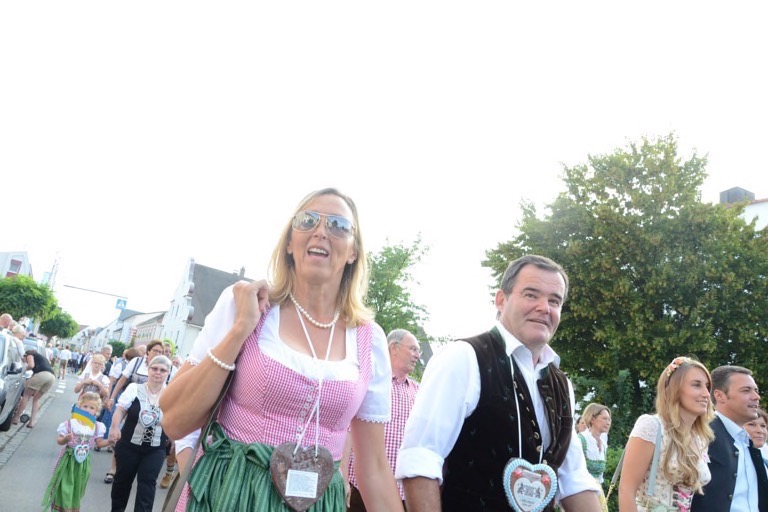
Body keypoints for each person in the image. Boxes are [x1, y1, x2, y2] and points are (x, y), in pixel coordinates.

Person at [161, 188, 403, 511]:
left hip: (317, 503)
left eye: (338, 225)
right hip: (230, 494)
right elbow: (175, 421)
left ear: (353, 251)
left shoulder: (369, 340)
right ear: (290, 242)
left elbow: (373, 467)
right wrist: (240, 329)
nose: (321, 231)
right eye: (307, 220)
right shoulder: (245, 305)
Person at [396, 255, 600, 512]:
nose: (544, 307)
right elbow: (421, 459)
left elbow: (574, 479)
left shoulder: (561, 384)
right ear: (501, 300)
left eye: (554, 301)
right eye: (531, 295)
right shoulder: (464, 358)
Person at [619, 357, 714, 512]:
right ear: (674, 389)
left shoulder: (700, 438)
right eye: (696, 385)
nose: (706, 394)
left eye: (707, 386)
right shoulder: (652, 425)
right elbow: (626, 490)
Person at [343, 328, 421, 511]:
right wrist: (343, 478)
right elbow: (347, 430)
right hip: (360, 490)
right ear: (394, 348)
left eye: (419, 351)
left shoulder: (419, 392)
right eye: (413, 349)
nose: (417, 355)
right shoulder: (370, 385)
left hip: (400, 493)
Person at [691, 365, 768, 512]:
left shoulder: (748, 442)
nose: (756, 397)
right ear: (720, 396)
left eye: (756, 390)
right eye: (746, 390)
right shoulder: (701, 433)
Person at [108, 355, 173, 512]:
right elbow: (121, 410)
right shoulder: (134, 388)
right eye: (154, 368)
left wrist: (174, 439)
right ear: (148, 370)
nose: (158, 372)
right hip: (128, 445)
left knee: (147, 485)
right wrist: (114, 427)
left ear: (168, 373)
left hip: (155, 448)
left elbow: (175, 419)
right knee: (122, 482)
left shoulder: (172, 394)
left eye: (163, 370)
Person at [42, 391, 111, 511]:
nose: (88, 410)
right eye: (85, 406)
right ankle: (61, 509)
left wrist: (110, 441)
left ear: (96, 411)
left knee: (77, 487)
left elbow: (99, 443)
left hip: (83, 463)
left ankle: (72, 508)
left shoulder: (97, 426)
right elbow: (59, 440)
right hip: (68, 461)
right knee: (65, 486)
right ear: (79, 407)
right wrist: (66, 439)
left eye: (92, 408)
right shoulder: (70, 424)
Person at [577, 403, 611, 512]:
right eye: (604, 418)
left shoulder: (603, 442)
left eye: (609, 419)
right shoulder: (581, 440)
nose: (608, 422)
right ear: (592, 419)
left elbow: (599, 478)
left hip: (597, 492)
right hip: (581, 493)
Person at [11, 348, 56, 428]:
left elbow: (31, 365)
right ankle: (31, 422)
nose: (24, 361)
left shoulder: (30, 355)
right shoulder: (42, 358)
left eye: (24, 359)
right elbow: (36, 373)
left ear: (26, 355)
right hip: (52, 377)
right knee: (36, 399)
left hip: (42, 375)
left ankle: (16, 418)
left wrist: (22, 369)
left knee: (26, 396)